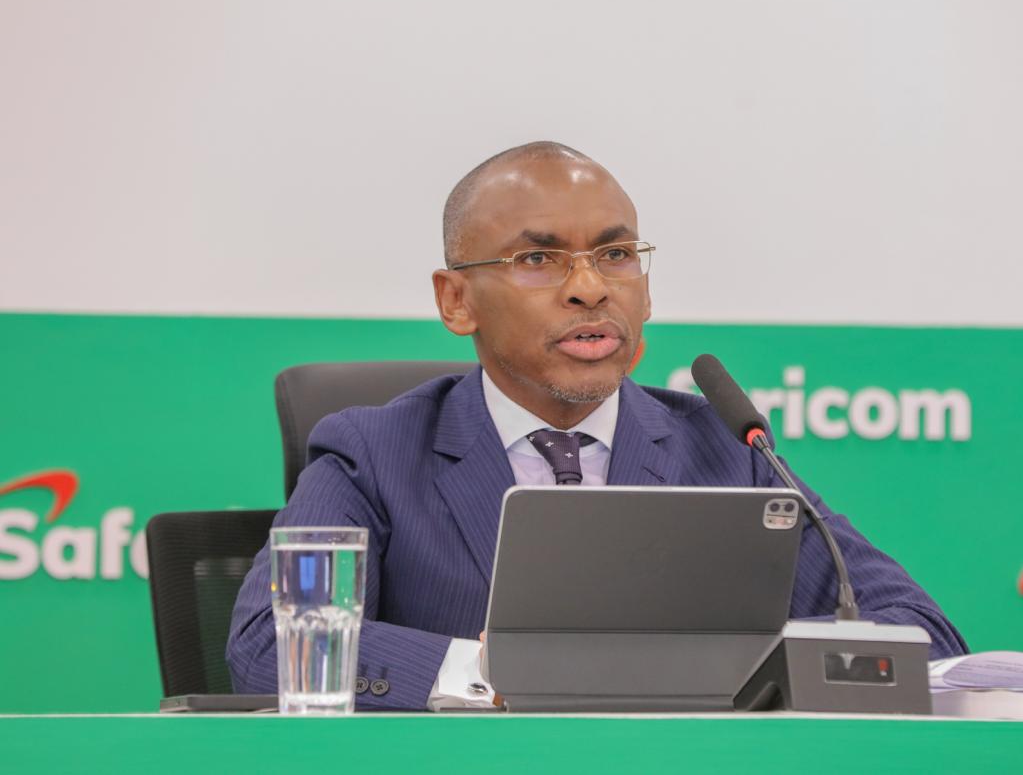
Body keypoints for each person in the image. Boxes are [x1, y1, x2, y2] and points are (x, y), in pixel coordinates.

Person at [227, 141, 967, 711]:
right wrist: (488, 672)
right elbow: (272, 644)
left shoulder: (726, 450)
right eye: (539, 258)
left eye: (615, 255)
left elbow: (919, 636)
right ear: (456, 300)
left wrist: (746, 671)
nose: (589, 288)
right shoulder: (374, 453)